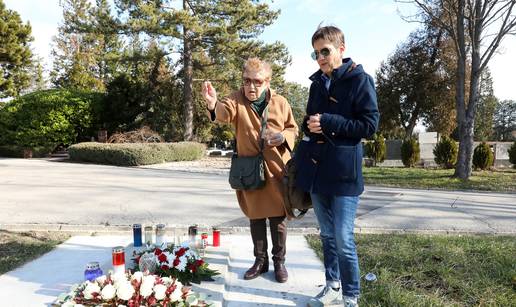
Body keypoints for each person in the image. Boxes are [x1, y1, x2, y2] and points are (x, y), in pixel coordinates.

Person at [296, 26, 379, 307]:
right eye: (315, 53)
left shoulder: (360, 80)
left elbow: (369, 126)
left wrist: (329, 122)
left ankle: (351, 297)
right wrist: (310, 124)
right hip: (318, 172)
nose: (320, 57)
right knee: (327, 235)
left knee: (343, 239)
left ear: (341, 49)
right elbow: (312, 118)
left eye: (325, 51)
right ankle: (332, 286)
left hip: (344, 174)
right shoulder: (317, 83)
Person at [201, 57, 298, 283]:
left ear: (267, 81)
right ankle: (260, 261)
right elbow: (223, 113)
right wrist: (213, 104)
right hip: (250, 171)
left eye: (257, 81)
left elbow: (292, 129)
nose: (251, 87)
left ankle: (279, 262)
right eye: (246, 81)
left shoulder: (281, 102)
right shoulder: (236, 99)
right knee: (255, 217)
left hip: (276, 170)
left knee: (278, 220)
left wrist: (282, 136)